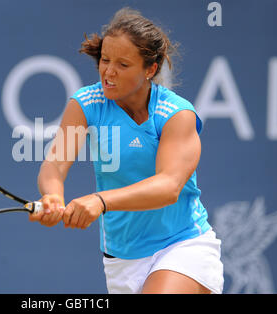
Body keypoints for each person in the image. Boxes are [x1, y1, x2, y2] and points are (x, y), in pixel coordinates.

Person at [29, 7, 224, 294]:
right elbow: (55, 165)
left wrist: (100, 200)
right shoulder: (86, 103)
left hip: (182, 244)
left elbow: (168, 186)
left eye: (123, 64)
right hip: (121, 259)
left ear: (150, 69)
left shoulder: (176, 114)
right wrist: (53, 196)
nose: (108, 71)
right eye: (105, 60)